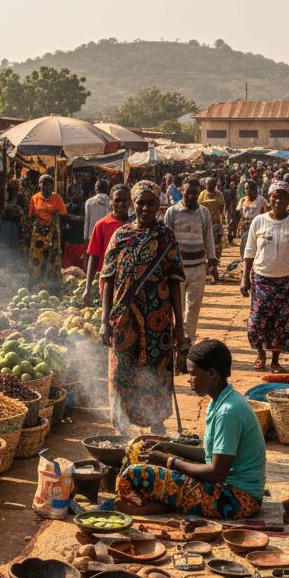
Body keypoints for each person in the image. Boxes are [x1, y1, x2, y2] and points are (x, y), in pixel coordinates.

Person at [116, 339, 265, 518]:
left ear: (211, 374)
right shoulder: (219, 401)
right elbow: (209, 455)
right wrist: (168, 447)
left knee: (135, 474)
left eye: (193, 374)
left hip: (237, 499)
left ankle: (155, 504)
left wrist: (169, 461)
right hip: (226, 486)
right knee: (160, 461)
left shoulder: (228, 412)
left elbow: (217, 473)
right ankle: (164, 503)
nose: (189, 379)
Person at [100, 181, 185, 433]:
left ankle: (157, 422)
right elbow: (107, 278)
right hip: (122, 318)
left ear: (159, 205)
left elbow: (174, 281)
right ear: (132, 204)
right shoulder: (121, 235)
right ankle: (122, 427)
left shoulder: (166, 237)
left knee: (156, 371)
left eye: (151, 203)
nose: (145, 208)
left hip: (157, 318)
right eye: (140, 202)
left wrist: (179, 325)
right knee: (121, 373)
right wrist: (105, 321)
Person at [241, 182, 289, 372]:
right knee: (257, 320)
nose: (278, 200)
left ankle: (275, 360)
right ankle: (260, 354)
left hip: (287, 279)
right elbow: (249, 250)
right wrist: (244, 278)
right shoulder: (259, 221)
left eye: (282, 197)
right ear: (269, 197)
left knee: (281, 322)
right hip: (261, 278)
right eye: (274, 196)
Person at [164, 177, 218, 346]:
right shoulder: (172, 212)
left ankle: (189, 340)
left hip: (198, 267)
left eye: (195, 193)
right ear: (182, 191)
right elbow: (165, 240)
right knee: (177, 308)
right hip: (177, 269)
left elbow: (208, 236)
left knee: (193, 307)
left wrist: (212, 259)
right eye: (189, 193)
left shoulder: (204, 212)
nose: (192, 197)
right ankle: (177, 338)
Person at [84, 185, 131, 298]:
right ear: (110, 202)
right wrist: (87, 287)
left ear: (130, 202)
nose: (120, 204)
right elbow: (93, 257)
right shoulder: (101, 225)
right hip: (107, 282)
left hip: (130, 282)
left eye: (124, 200)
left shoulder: (135, 224)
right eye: (117, 200)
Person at [27, 175, 67, 292]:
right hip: (38, 234)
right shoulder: (35, 198)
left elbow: (64, 214)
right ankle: (35, 286)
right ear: (39, 185)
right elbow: (30, 215)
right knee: (37, 258)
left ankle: (52, 288)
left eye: (49, 184)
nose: (46, 187)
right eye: (43, 184)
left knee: (52, 258)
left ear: (52, 186)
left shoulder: (57, 198)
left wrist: (54, 215)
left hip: (53, 233)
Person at [198, 178, 227, 265]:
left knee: (217, 244)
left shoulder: (219, 195)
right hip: (204, 223)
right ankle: (206, 262)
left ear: (214, 185)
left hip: (216, 223)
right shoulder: (202, 194)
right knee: (205, 243)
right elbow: (198, 207)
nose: (207, 186)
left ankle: (216, 259)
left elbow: (222, 208)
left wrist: (223, 221)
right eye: (206, 184)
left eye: (209, 185)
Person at [61, 184, 87, 270]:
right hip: (69, 239)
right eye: (75, 193)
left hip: (80, 239)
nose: (77, 195)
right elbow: (62, 220)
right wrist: (65, 225)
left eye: (79, 193)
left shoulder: (85, 207)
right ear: (71, 195)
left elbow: (87, 219)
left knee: (80, 265)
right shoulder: (66, 207)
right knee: (68, 266)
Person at [236, 179, 265, 252]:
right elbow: (241, 215)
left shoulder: (261, 200)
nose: (248, 190)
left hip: (258, 226)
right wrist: (239, 226)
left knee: (256, 245)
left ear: (255, 189)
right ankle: (244, 260)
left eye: (250, 188)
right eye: (246, 188)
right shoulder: (243, 200)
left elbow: (265, 214)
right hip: (245, 226)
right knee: (244, 244)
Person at [84, 178, 112, 244]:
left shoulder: (89, 202)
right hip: (108, 236)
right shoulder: (112, 202)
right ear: (107, 189)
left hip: (93, 236)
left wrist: (85, 237)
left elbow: (87, 220)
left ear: (96, 189)